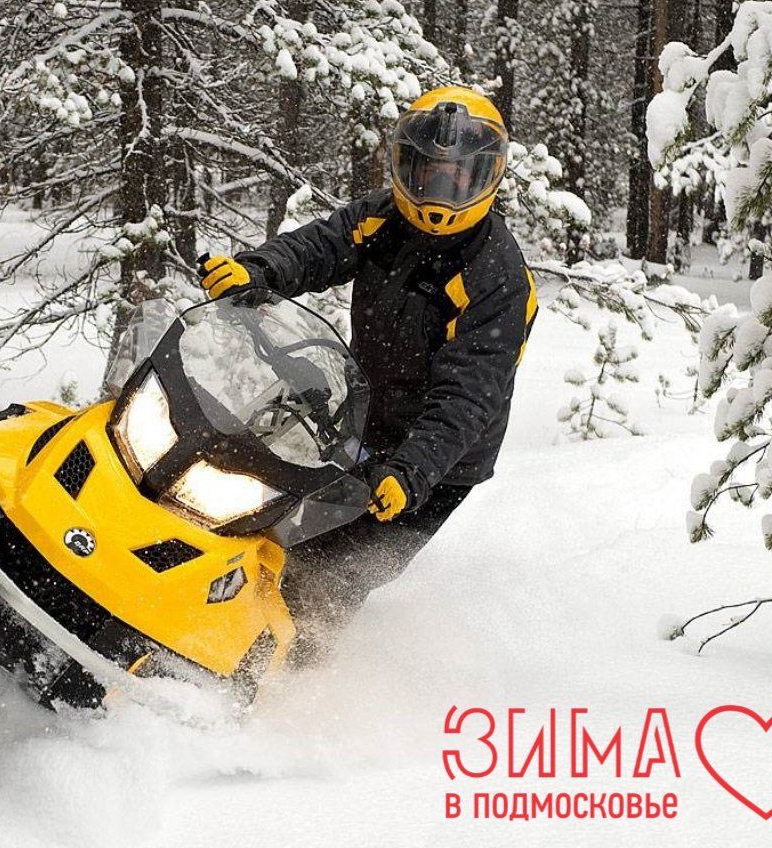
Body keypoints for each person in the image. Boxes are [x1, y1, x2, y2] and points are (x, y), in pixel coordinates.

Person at [197, 85, 538, 652]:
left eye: (457, 177)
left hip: (438, 462)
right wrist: (258, 271)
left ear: (486, 179)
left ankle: (293, 679)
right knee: (256, 509)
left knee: (331, 575)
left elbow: (468, 397)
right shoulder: (383, 219)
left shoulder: (496, 276)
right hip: (361, 417)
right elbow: (320, 247)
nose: (439, 189)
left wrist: (411, 471)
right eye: (426, 171)